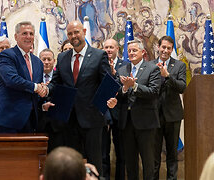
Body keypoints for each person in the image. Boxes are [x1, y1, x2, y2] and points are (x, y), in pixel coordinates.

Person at [47, 20, 111, 174]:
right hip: (68, 120)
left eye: (76, 32)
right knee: (71, 166)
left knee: (95, 163)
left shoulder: (99, 55)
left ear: (83, 32)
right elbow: (55, 83)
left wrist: (103, 106)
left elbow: (107, 84)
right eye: (70, 33)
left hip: (92, 119)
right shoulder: (62, 57)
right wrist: (44, 89)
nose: (73, 36)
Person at [116, 39, 161, 180]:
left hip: (146, 123)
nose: (131, 53)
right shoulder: (122, 70)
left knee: (148, 162)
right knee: (130, 162)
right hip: (127, 123)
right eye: (129, 51)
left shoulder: (152, 69)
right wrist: (124, 88)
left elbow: (154, 92)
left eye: (134, 50)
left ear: (143, 52)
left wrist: (134, 86)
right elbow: (118, 93)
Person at [0, 21, 47, 133]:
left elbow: (37, 88)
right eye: (24, 33)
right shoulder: (7, 55)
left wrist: (43, 92)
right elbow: (11, 80)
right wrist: (36, 87)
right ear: (16, 36)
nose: (28, 37)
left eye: (31, 34)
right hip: (10, 120)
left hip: (31, 121)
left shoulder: (38, 62)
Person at [152, 36, 186, 180]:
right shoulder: (150, 65)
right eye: (163, 47)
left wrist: (168, 76)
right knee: (154, 156)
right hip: (154, 117)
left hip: (173, 116)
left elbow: (182, 87)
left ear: (172, 50)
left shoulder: (179, 66)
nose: (165, 50)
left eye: (169, 48)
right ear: (158, 47)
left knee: (172, 155)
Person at [102, 38, 127, 180]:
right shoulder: (99, 64)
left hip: (120, 114)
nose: (109, 50)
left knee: (121, 152)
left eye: (111, 47)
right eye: (106, 47)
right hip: (103, 114)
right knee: (103, 152)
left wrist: (114, 75)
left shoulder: (125, 66)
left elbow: (125, 89)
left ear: (117, 49)